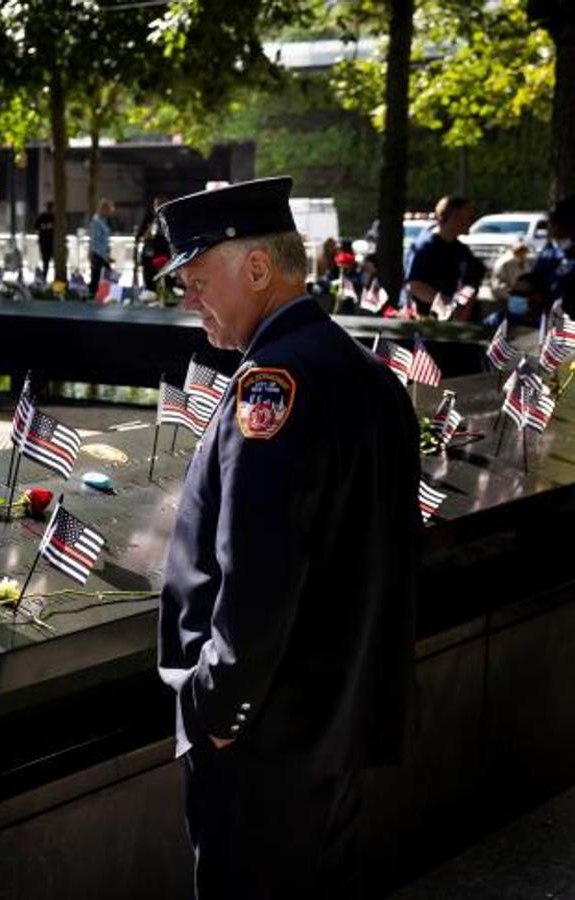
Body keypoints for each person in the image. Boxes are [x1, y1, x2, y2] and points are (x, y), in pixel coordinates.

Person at [154, 176, 419, 899]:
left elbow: (260, 573)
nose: (189, 300)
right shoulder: (364, 373)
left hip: (266, 736)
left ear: (259, 270)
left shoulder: (272, 386)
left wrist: (218, 711)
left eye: (198, 279)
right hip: (334, 723)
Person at [401, 194, 485, 319]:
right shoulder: (424, 246)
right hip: (422, 319)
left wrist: (464, 308)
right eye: (469, 217)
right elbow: (415, 286)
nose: (471, 221)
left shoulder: (461, 250)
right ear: (453, 217)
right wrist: (446, 304)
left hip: (450, 321)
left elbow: (470, 283)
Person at [531, 196, 575, 312]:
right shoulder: (549, 248)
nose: (549, 227)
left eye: (552, 222)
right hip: (545, 309)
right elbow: (537, 276)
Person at [87, 197, 114, 301]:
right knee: (97, 277)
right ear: (103, 209)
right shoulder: (96, 222)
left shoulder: (103, 220)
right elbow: (95, 241)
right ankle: (93, 297)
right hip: (98, 254)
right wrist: (105, 256)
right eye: (108, 210)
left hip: (103, 254)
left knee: (103, 276)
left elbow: (104, 240)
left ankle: (101, 296)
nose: (109, 213)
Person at [490, 241, 532, 305]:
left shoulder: (524, 261)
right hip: (506, 297)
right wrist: (516, 295)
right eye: (522, 252)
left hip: (520, 295)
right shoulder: (505, 263)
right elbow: (497, 286)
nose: (525, 255)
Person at [35, 201, 56, 283]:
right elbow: (36, 226)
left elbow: (36, 227)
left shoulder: (43, 217)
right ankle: (45, 277)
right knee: (47, 261)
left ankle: (45, 277)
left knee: (46, 262)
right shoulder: (47, 217)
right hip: (48, 242)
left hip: (46, 242)